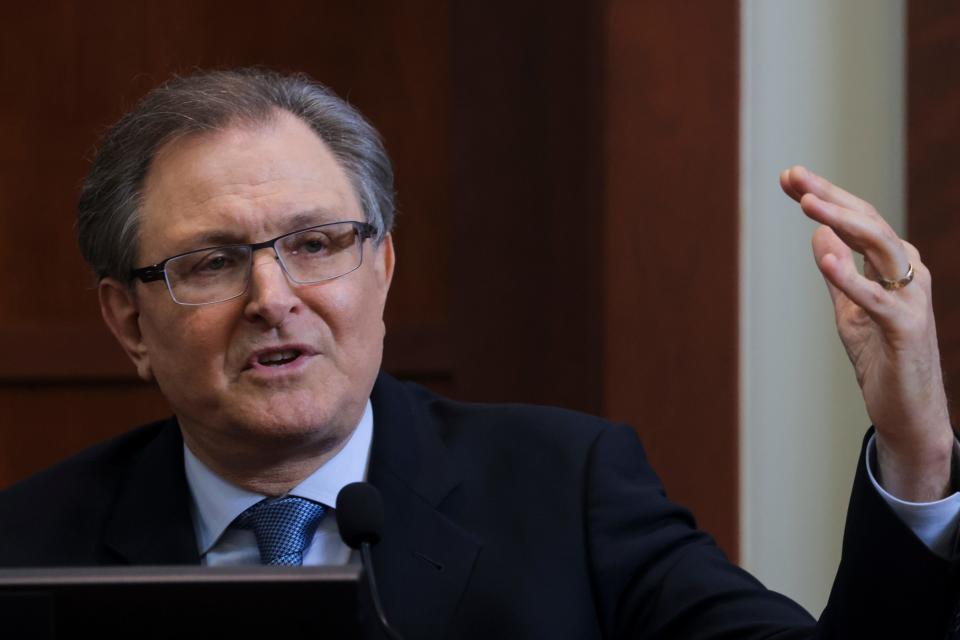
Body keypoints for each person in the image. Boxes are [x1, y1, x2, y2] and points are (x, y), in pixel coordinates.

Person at [0, 68, 956, 638]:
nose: (273, 299)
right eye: (211, 262)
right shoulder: (29, 547)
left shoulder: (569, 489)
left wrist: (913, 449)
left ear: (382, 269)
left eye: (318, 244)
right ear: (129, 322)